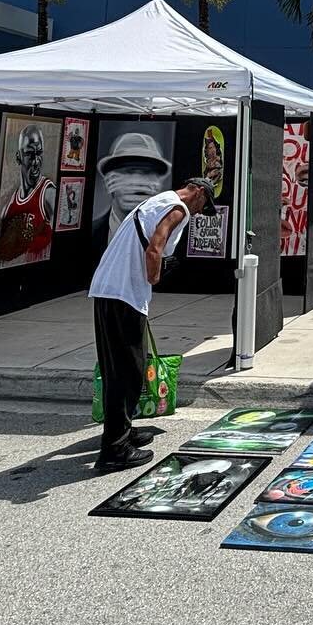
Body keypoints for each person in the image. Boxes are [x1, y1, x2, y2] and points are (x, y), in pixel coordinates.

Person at [89, 175, 213, 471]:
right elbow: (155, 248)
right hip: (125, 293)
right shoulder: (178, 208)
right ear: (195, 191)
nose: (199, 211)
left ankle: (122, 431)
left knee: (116, 367)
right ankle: (114, 451)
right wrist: (155, 277)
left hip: (108, 289)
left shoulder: (155, 201)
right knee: (128, 371)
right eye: (203, 203)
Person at [94, 130, 173, 246]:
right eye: (128, 171)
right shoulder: (90, 233)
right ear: (108, 180)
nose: (136, 181)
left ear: (158, 183)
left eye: (147, 172)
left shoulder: (169, 235)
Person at [0, 123, 55, 265]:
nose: (36, 161)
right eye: (30, 154)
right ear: (19, 157)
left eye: (39, 153)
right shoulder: (7, 207)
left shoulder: (48, 194)